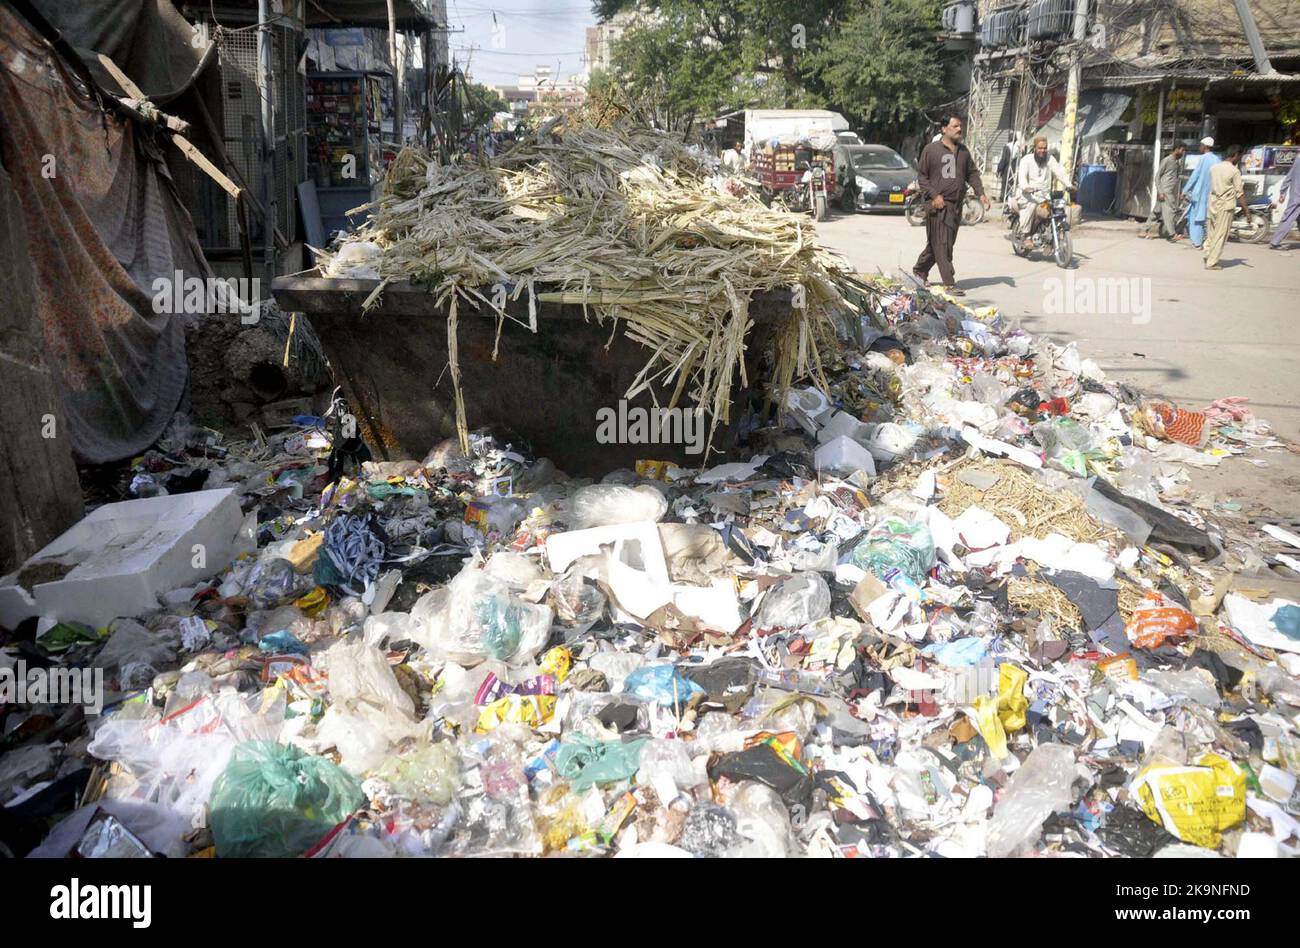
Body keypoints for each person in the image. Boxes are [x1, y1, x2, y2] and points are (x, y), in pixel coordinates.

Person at [912, 114, 990, 297]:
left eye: (960, 126)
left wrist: (981, 194)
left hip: (956, 206)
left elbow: (972, 174)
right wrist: (934, 195)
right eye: (955, 126)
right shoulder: (931, 150)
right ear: (944, 129)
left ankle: (919, 270)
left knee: (939, 244)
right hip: (938, 204)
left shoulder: (963, 151)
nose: (959, 129)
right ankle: (949, 282)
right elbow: (922, 177)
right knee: (942, 243)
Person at [1011, 136, 1073, 248]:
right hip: (1027, 194)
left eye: (1045, 148)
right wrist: (1026, 187)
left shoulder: (1050, 159)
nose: (1042, 151)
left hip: (1044, 195)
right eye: (1040, 148)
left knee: (1056, 209)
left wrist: (1069, 184)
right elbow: (1022, 178)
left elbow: (1059, 172)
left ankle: (1050, 237)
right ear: (1034, 148)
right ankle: (1026, 235)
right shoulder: (1026, 160)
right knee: (1031, 205)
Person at [1203, 145, 1248, 270]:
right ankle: (1212, 262)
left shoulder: (1214, 168)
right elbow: (1240, 193)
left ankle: (1208, 254)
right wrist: (1247, 212)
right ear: (1235, 155)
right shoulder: (1234, 171)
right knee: (1221, 234)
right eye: (1239, 156)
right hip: (1225, 205)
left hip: (1212, 203)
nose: (1239, 159)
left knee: (1211, 232)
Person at [1141, 141, 1187, 240]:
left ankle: (1144, 230)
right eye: (1182, 150)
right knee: (1170, 212)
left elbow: (1175, 177)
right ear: (1177, 149)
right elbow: (1157, 177)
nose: (1183, 153)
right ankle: (1172, 234)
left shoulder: (1176, 162)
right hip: (1165, 192)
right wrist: (1160, 191)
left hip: (1168, 191)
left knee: (1156, 212)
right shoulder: (1167, 160)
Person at [1182, 136, 1220, 248]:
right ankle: (1201, 240)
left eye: (1201, 145)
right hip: (1210, 193)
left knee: (1195, 217)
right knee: (1203, 217)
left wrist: (1185, 190)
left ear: (1205, 146)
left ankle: (1197, 242)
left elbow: (1195, 175)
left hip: (1199, 193)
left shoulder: (1203, 158)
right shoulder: (1217, 159)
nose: (1200, 147)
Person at [1268, 157, 1300, 250]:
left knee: (1289, 217)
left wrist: (1283, 192)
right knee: (1289, 218)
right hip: (1297, 197)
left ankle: (1275, 241)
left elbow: (1288, 177)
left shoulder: (1298, 160)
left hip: (1295, 196)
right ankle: (1275, 242)